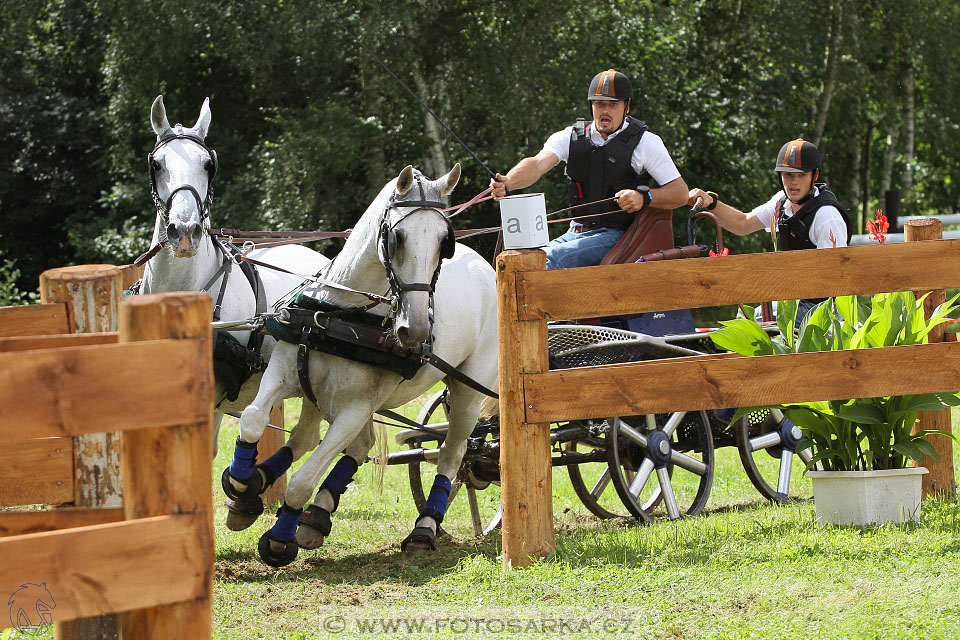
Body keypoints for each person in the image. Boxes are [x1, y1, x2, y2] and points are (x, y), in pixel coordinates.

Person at [490, 69, 689, 269]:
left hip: (617, 237)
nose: (605, 111)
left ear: (626, 106)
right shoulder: (571, 136)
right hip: (573, 233)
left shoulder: (646, 143)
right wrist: (508, 181)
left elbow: (680, 193)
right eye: (599, 103)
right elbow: (536, 164)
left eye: (613, 105)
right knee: (519, 262)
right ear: (591, 105)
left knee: (547, 260)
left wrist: (644, 197)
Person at [687, 137, 851, 321]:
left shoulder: (826, 216)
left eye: (802, 175)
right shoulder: (781, 202)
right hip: (795, 299)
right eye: (788, 175)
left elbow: (834, 280)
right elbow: (742, 224)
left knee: (763, 318)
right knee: (746, 320)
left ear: (815, 176)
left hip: (826, 309)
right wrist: (711, 203)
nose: (794, 182)